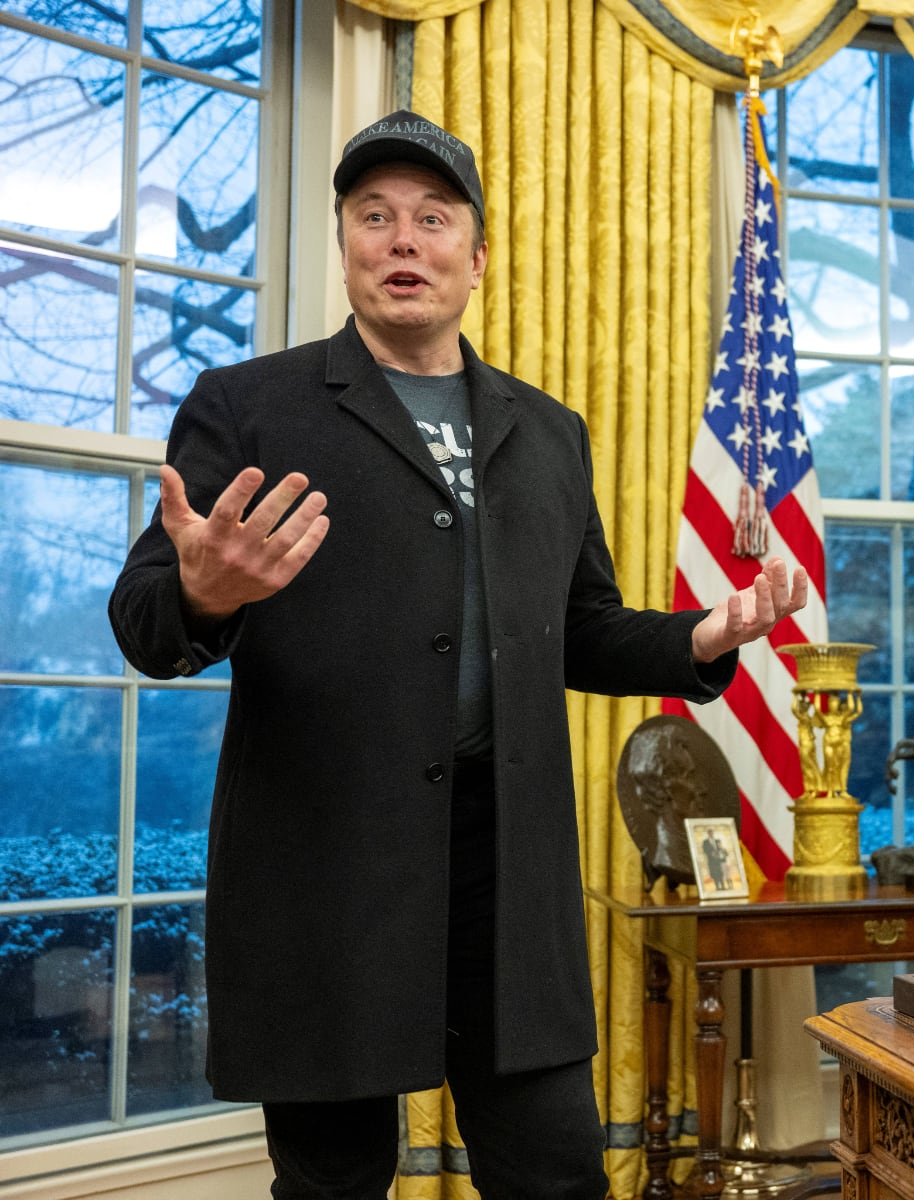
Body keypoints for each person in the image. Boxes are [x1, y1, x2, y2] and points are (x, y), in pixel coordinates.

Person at [108, 110, 807, 1200]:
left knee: (557, 1171)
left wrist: (701, 638)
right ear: (343, 244)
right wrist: (202, 591)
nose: (402, 240)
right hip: (327, 863)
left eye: (432, 218)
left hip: (508, 867)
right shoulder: (248, 407)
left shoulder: (550, 431)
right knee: (334, 1180)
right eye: (374, 216)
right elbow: (145, 620)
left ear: (476, 257)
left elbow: (578, 629)